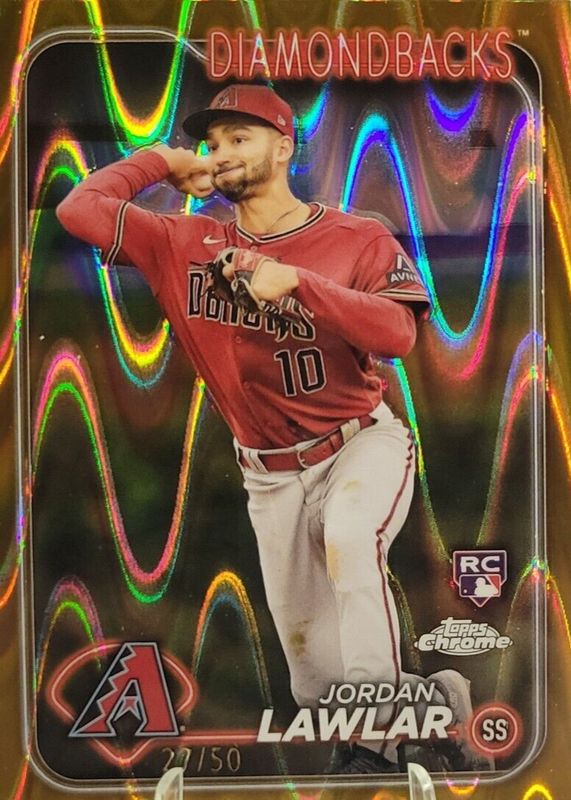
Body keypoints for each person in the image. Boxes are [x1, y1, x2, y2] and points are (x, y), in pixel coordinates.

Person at [56, 83, 477, 775]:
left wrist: (300, 283)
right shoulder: (183, 241)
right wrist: (161, 160)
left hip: (357, 445)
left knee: (351, 538)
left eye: (239, 137)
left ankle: (373, 746)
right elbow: (78, 209)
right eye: (212, 141)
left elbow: (399, 333)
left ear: (283, 148)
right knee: (316, 689)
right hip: (269, 476)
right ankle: (433, 699)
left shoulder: (355, 236)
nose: (220, 151)